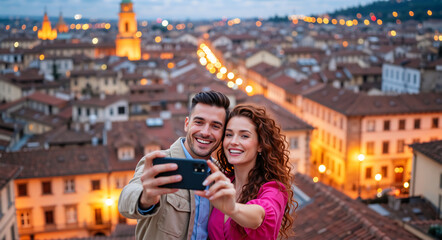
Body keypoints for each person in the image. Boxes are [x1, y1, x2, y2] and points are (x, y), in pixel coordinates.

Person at [118, 90, 230, 240]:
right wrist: (145, 198)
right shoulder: (160, 163)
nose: (205, 132)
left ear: (222, 133)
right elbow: (126, 198)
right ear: (186, 124)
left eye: (215, 126)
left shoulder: (220, 175)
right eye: (199, 122)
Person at [196, 104, 296, 239]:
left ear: (261, 145)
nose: (234, 142)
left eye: (244, 136)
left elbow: (259, 216)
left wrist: (233, 209)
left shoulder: (274, 190)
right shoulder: (222, 181)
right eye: (229, 134)